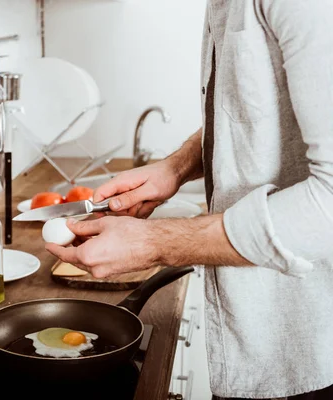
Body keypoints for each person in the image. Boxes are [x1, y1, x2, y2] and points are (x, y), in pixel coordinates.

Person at [46, 1, 333, 399]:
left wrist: (155, 243)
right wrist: (175, 168)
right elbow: (253, 115)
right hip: (252, 331)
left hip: (308, 343)